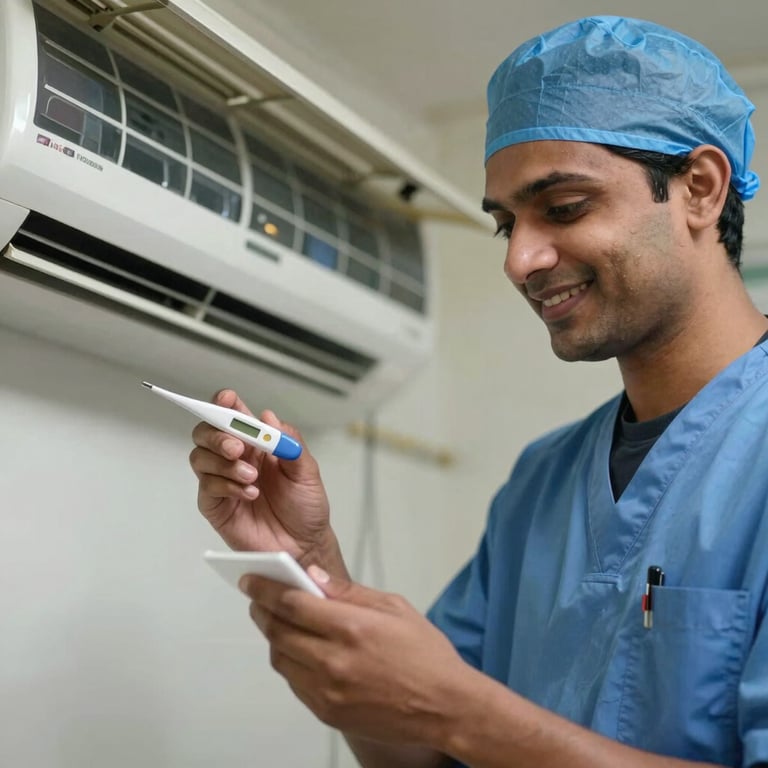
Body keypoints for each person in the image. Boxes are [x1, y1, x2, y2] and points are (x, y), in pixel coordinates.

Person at [189, 15, 768, 768]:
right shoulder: (542, 483)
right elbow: (420, 748)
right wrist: (308, 563)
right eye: (506, 226)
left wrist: (464, 713)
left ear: (700, 188)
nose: (521, 259)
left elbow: (457, 716)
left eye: (563, 208)